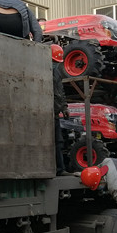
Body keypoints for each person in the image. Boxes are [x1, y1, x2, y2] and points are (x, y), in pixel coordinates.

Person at [51, 43, 69, 174]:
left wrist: (64, 107)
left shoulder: (56, 72)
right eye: (54, 61)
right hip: (46, 112)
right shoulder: (41, 69)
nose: (55, 64)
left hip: (55, 113)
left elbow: (60, 92)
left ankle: (60, 169)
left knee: (58, 141)